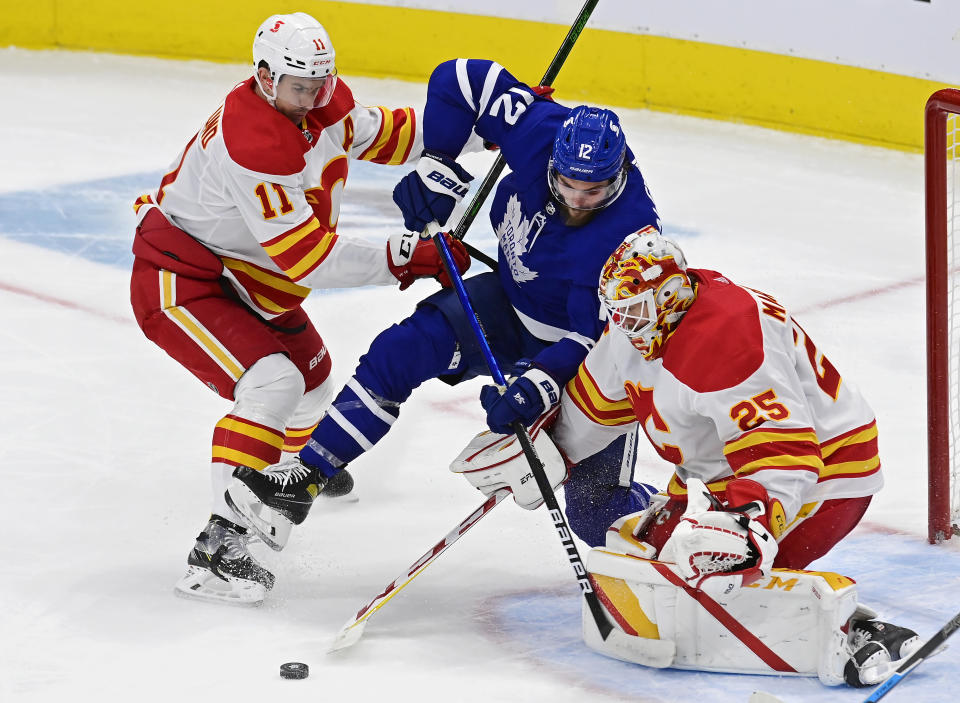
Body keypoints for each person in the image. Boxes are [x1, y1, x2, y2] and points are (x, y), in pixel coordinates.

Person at [225, 58, 661, 556]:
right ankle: (305, 477)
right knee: (400, 350)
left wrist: (539, 384)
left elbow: (595, 339)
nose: (577, 201)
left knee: (596, 515)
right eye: (566, 185)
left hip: (589, 361)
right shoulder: (542, 130)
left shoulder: (631, 238)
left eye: (594, 191)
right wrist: (439, 164)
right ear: (553, 162)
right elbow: (459, 78)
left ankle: (680, 533)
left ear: (620, 173)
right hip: (511, 302)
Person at [129, 12, 469, 606]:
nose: (311, 98)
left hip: (246, 277)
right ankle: (220, 546)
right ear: (264, 75)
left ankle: (284, 474)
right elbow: (304, 258)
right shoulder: (253, 141)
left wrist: (482, 128)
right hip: (183, 279)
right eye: (298, 87)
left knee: (313, 379)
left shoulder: (318, 101)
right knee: (272, 384)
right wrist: (403, 257)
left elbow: (384, 133)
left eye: (319, 84)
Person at [550, 229, 921, 687]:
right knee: (641, 552)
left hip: (824, 470)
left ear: (668, 296)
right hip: (721, 472)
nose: (624, 325)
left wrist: (750, 523)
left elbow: (784, 452)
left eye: (633, 313)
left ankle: (855, 626)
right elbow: (594, 408)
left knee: (714, 578)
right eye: (618, 314)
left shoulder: (726, 335)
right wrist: (540, 452)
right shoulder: (641, 327)